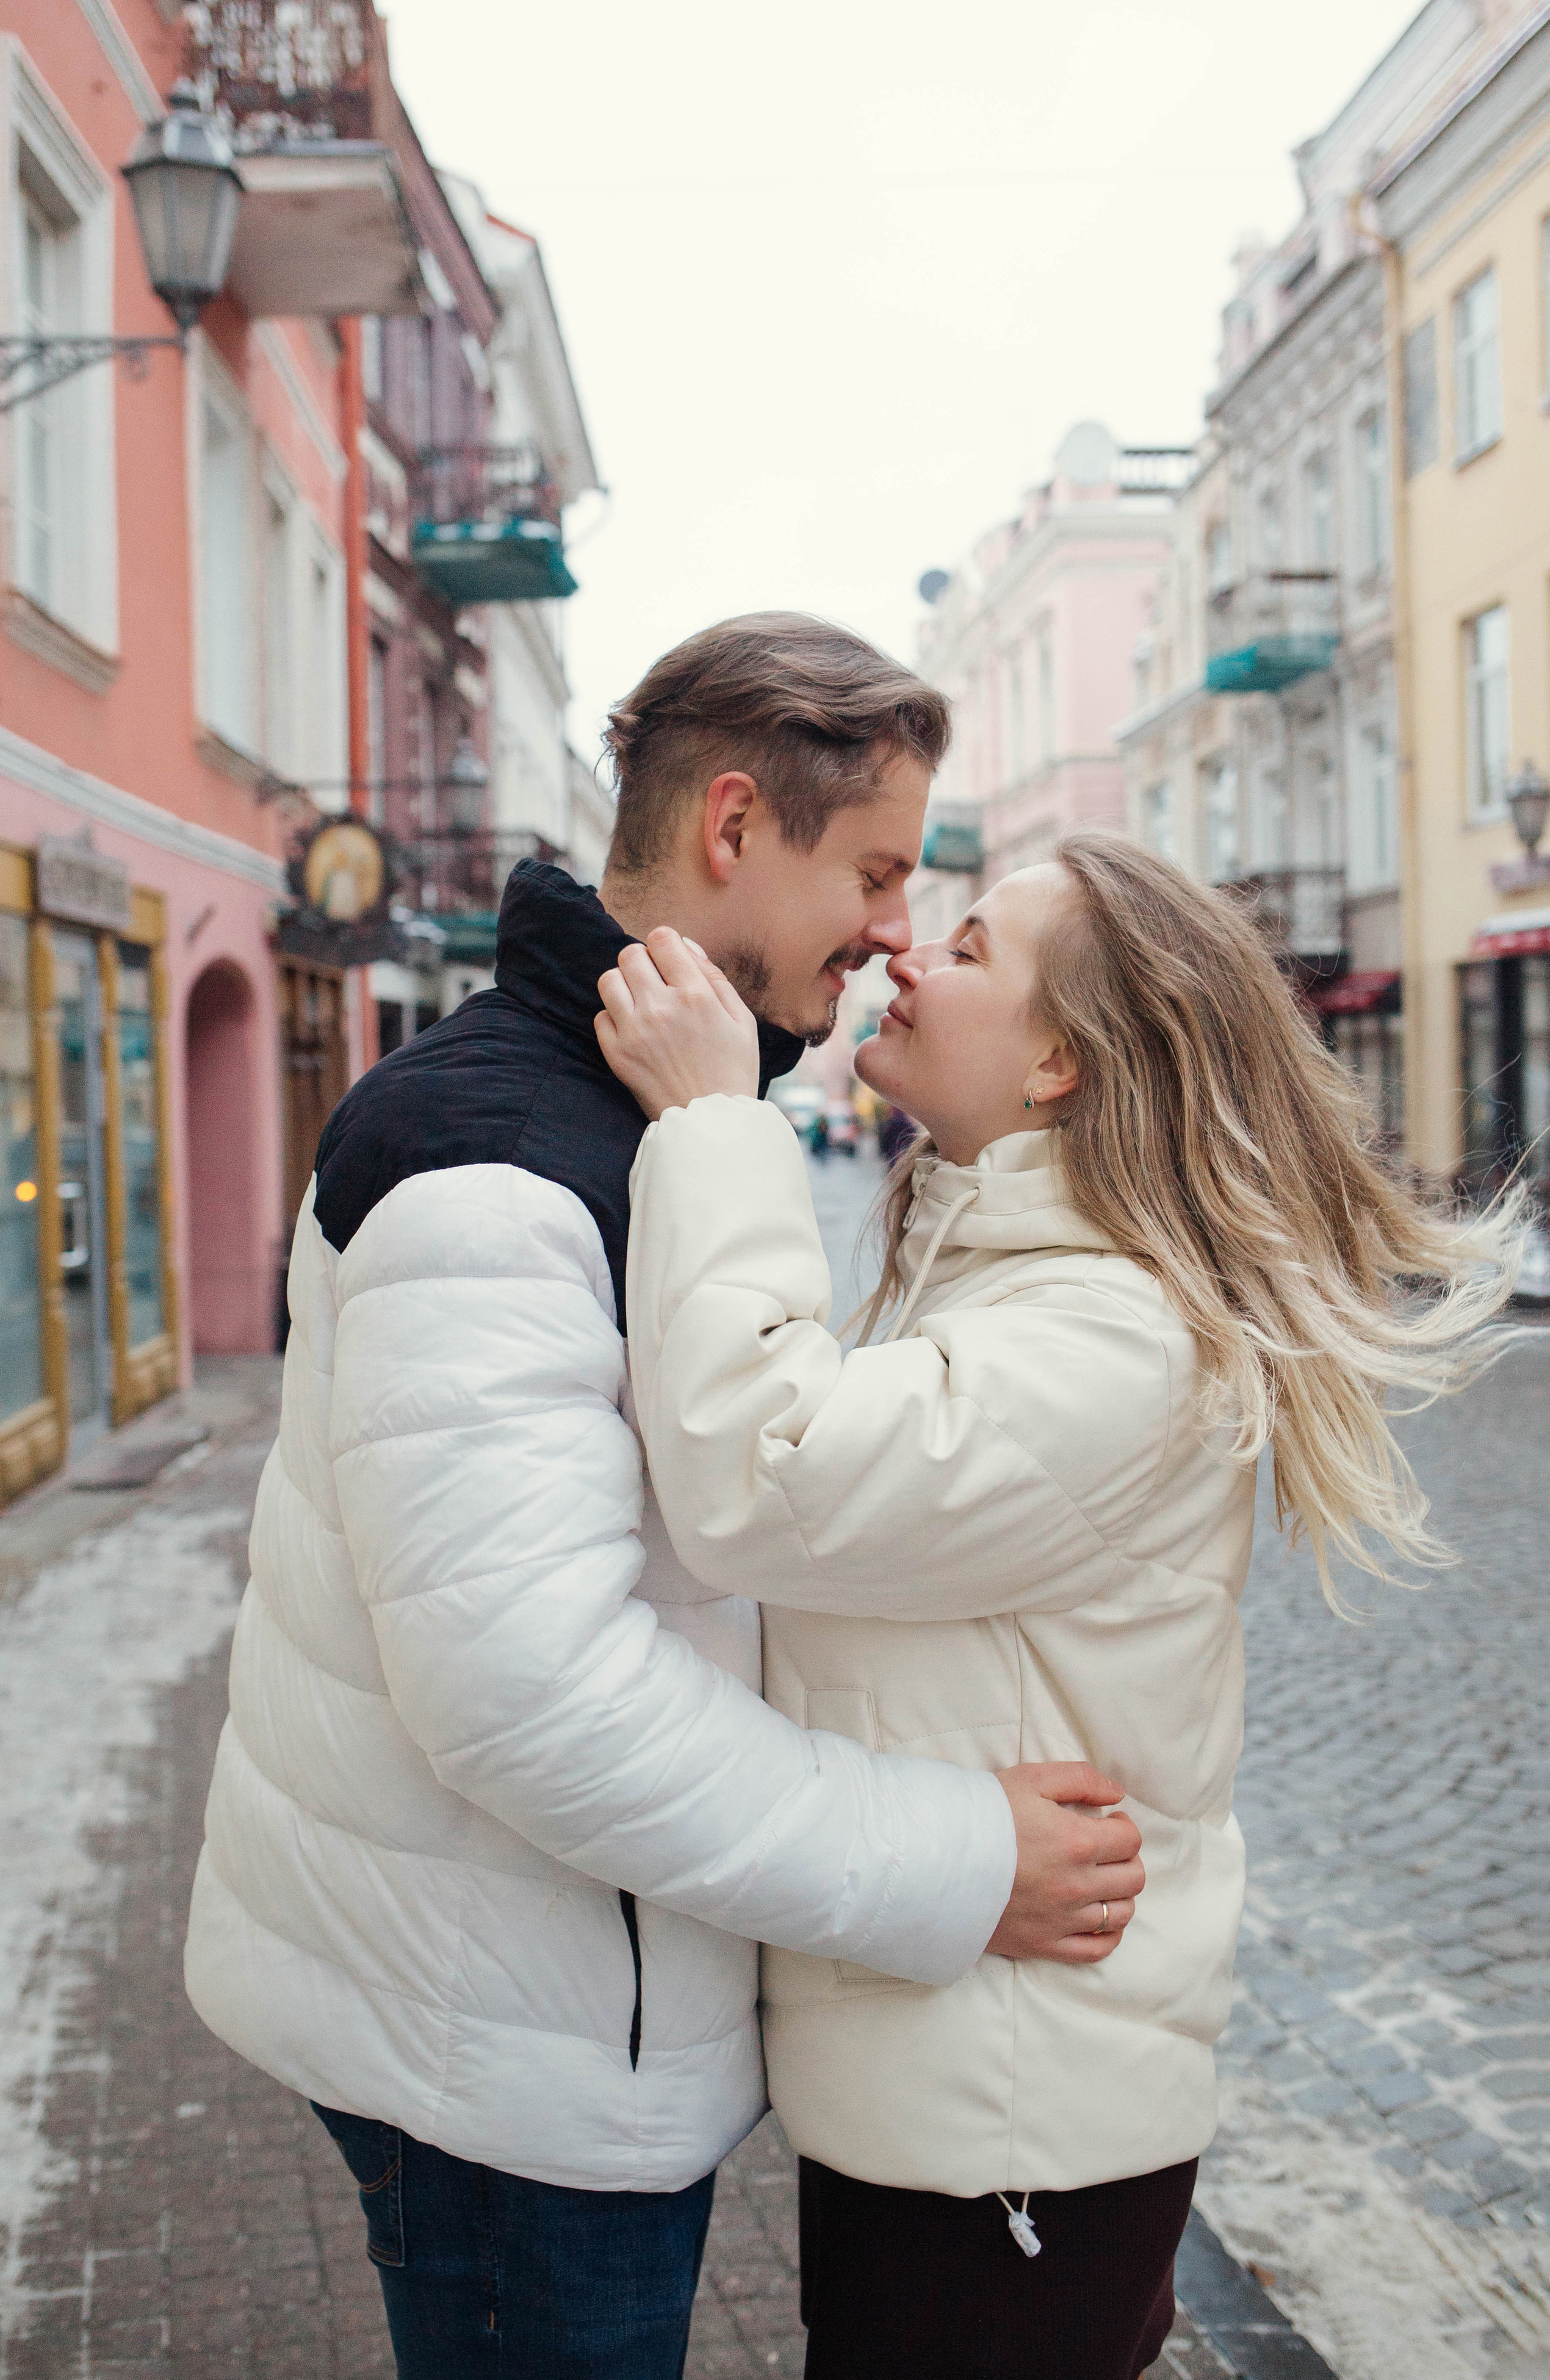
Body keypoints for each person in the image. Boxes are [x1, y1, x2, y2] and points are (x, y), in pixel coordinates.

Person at [183, 619, 1147, 2380]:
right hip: (508, 2060)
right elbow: (526, 1689)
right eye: (869, 868)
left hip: (549, 1997)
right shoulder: (502, 1159)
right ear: (729, 826)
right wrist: (955, 1856)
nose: (887, 930)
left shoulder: (629, 1120)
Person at [596, 830, 1520, 2380]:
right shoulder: (994, 1258)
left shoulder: (1106, 1334)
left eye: (965, 950)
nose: (907, 953)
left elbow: (761, 1472)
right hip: (955, 2071)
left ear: (1055, 1068)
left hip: (1011, 2120)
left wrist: (708, 1126)